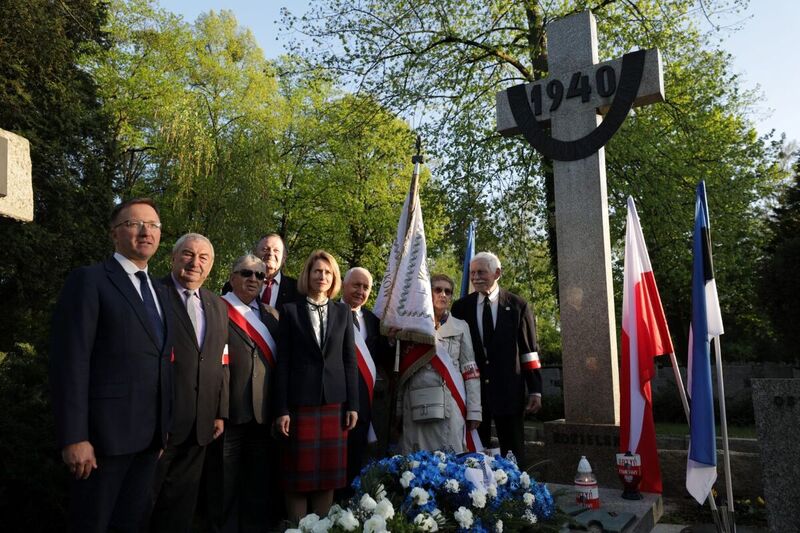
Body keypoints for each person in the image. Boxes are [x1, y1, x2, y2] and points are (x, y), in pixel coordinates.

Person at [49, 198, 173, 532]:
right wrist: (74, 437)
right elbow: (70, 362)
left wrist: (162, 430)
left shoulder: (160, 291)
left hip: (149, 441)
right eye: (134, 224)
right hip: (102, 441)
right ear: (114, 233)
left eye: (153, 225)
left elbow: (161, 361)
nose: (146, 232)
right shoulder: (90, 280)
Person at [147, 233, 229, 533]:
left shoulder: (217, 305)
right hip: (159, 423)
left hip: (200, 423)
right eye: (188, 254)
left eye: (203, 257)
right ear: (173, 257)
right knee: (142, 503)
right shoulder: (152, 293)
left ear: (210, 266)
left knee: (180, 507)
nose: (195, 263)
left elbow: (221, 360)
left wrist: (219, 411)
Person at [274, 250, 358, 524]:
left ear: (334, 278)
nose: (322, 276)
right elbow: (283, 362)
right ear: (307, 275)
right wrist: (282, 408)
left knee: (327, 476)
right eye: (317, 271)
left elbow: (349, 360)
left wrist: (353, 405)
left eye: (328, 272)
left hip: (334, 403)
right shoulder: (290, 311)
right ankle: (297, 529)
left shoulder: (343, 312)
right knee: (297, 476)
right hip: (300, 403)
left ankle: (322, 527)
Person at [209, 254, 280, 532]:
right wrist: (218, 410)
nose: (253, 279)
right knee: (223, 485)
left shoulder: (272, 316)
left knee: (256, 485)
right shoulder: (216, 307)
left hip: (262, 415)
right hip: (228, 413)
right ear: (232, 277)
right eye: (246, 273)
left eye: (259, 275)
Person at [450, 252, 542, 463]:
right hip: (474, 395)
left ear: (497, 273)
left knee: (513, 454)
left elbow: (529, 352)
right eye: (472, 273)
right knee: (473, 455)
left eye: (481, 272)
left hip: (509, 392)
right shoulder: (461, 308)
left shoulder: (518, 306)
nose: (475, 278)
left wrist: (535, 389)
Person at [398, 274, 481, 454]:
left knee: (450, 458)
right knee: (416, 461)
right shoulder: (410, 326)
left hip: (450, 403)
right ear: (428, 293)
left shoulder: (461, 326)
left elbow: (470, 370)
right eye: (438, 290)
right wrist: (398, 408)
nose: (443, 294)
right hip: (416, 402)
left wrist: (474, 410)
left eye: (448, 292)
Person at [339, 267, 392, 489]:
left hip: (365, 406)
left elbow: (385, 359)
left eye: (366, 287)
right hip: (337, 400)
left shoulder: (374, 321)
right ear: (343, 285)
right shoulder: (331, 312)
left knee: (357, 464)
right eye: (356, 285)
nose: (360, 291)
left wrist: (393, 338)